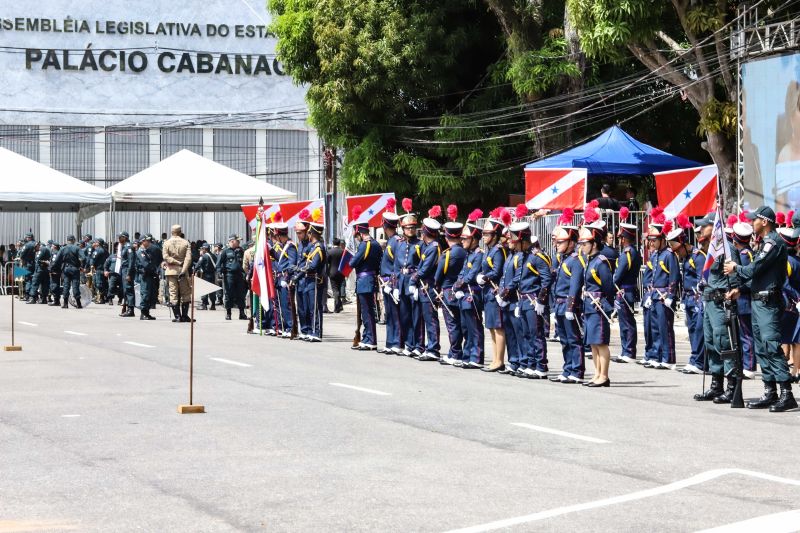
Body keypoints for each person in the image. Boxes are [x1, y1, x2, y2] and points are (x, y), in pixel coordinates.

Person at [724, 206, 797, 412]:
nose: (751, 222)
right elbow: (758, 278)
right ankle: (770, 391)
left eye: (754, 219)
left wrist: (736, 268)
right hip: (758, 301)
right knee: (762, 348)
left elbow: (754, 269)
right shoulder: (764, 243)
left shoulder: (773, 243)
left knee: (771, 346)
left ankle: (786, 393)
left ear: (764, 222)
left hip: (768, 303)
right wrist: (740, 290)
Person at [577, 213, 615, 387]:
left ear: (594, 244)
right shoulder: (590, 260)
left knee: (601, 342)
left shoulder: (601, 262)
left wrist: (606, 304)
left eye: (585, 244)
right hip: (590, 305)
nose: (582, 247)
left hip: (599, 306)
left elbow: (608, 287)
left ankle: (604, 375)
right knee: (592, 342)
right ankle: (596, 373)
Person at [667, 216, 706, 375]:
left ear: (683, 244)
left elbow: (701, 279)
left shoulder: (698, 256)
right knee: (691, 330)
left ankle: (699, 362)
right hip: (689, 298)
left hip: (697, 298)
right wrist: (683, 299)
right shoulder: (686, 258)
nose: (677, 254)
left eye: (677, 250)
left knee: (698, 330)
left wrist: (699, 299)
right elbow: (684, 281)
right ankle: (694, 359)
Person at [549, 216, 585, 383]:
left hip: (569, 305)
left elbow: (575, 285)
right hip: (559, 304)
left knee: (573, 339)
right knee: (564, 339)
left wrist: (571, 307)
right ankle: (567, 368)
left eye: (561, 242)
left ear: (571, 243)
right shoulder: (563, 259)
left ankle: (576, 371)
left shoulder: (576, 261)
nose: (557, 244)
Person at [644, 212, 680, 369]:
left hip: (664, 295)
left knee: (665, 328)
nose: (651, 243)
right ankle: (657, 355)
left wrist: (671, 295)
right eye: (650, 240)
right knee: (655, 328)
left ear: (662, 239)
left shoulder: (669, 255)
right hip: (654, 295)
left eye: (654, 240)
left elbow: (674, 276)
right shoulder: (655, 255)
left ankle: (668, 358)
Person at [478, 208, 510, 372]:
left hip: (495, 292)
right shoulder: (489, 250)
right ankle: (495, 358)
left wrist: (485, 277)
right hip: (488, 292)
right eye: (483, 233)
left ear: (495, 235)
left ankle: (499, 360)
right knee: (491, 327)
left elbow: (497, 271)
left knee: (498, 327)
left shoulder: (498, 250)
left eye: (487, 233)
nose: (484, 236)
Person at [455, 210, 485, 369]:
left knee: (474, 328)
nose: (462, 241)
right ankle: (467, 355)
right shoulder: (468, 254)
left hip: (472, 293)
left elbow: (472, 275)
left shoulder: (479, 255)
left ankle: (476, 356)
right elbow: (462, 273)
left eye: (465, 238)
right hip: (464, 293)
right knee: (465, 327)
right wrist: (457, 284)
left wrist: (459, 283)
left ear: (474, 239)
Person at [436, 216, 467, 365]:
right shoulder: (464, 252)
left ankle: (455, 353)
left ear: (447, 236)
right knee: (461, 324)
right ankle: (458, 352)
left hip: (448, 292)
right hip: (462, 291)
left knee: (452, 324)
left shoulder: (447, 254)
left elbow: (438, 276)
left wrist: (438, 287)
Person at [411, 213, 442, 361]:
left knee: (430, 319)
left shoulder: (433, 248)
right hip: (424, 287)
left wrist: (413, 278)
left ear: (425, 232)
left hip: (429, 287)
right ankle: (430, 347)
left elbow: (425, 269)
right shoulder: (427, 246)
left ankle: (434, 348)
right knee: (426, 318)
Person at [394, 202, 423, 357]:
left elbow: (422, 265)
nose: (410, 230)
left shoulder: (419, 244)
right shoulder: (399, 244)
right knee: (404, 316)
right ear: (403, 229)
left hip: (414, 282)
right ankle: (408, 344)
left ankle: (419, 345)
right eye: (408, 228)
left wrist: (417, 283)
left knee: (416, 316)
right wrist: (395, 286)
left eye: (412, 227)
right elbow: (396, 266)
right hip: (402, 281)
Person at [349, 218, 383, 350]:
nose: (357, 238)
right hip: (371, 279)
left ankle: (370, 339)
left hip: (364, 281)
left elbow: (353, 262)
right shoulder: (376, 244)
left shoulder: (365, 245)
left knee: (366, 312)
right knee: (369, 311)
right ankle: (368, 337)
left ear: (359, 233)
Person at [613, 211, 641, 363]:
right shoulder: (630, 252)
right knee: (624, 322)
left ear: (624, 238)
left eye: (620, 237)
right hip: (625, 291)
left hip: (625, 291)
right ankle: (625, 350)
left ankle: (629, 351)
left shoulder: (628, 253)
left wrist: (613, 283)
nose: (619, 240)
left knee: (627, 323)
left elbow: (618, 275)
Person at [292, 220, 326, 342]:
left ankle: (316, 332)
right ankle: (310, 331)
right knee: (308, 308)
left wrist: (300, 269)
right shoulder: (311, 247)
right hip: (308, 279)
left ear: (311, 233)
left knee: (314, 308)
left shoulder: (317, 247)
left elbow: (312, 265)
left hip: (315, 280)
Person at [731, 222, 757, 379]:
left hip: (744, 299)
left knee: (746, 335)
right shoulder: (749, 252)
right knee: (744, 334)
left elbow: (746, 278)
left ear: (735, 240)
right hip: (744, 299)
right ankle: (745, 364)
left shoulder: (744, 255)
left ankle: (749, 366)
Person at [378, 208, 402, 354]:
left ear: (384, 226)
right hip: (386, 282)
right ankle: (390, 342)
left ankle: (396, 342)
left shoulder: (396, 242)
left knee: (394, 315)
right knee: (389, 314)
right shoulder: (391, 241)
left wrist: (394, 285)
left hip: (391, 283)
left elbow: (397, 266)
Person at [163, 225, 194, 323]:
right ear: (180, 232)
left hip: (171, 271)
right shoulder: (186, 243)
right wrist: (183, 270)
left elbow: (165, 257)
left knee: (173, 293)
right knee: (186, 293)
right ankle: (185, 316)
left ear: (171, 232)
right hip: (183, 272)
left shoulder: (166, 243)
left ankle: (177, 316)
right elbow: (188, 258)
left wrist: (175, 262)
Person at [272, 221, 298, 338]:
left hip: (285, 278)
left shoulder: (291, 246)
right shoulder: (282, 246)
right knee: (281, 305)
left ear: (279, 235)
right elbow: (281, 259)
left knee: (286, 305)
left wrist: (287, 278)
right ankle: (284, 327)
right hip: (279, 278)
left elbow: (291, 264)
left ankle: (290, 327)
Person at [218, 234, 247, 321]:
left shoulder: (241, 251)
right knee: (229, 294)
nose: (239, 242)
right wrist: (219, 272)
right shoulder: (225, 251)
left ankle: (242, 313)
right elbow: (219, 263)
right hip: (229, 275)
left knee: (241, 294)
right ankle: (228, 313)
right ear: (232, 241)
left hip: (239, 275)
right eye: (237, 241)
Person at [52, 235, 82, 309]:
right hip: (75, 269)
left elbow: (56, 260)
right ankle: (78, 303)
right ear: (74, 240)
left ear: (67, 240)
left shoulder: (63, 249)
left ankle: (65, 303)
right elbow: (84, 258)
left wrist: (53, 269)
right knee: (75, 285)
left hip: (66, 269)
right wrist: (82, 266)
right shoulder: (77, 248)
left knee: (66, 285)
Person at [136, 235, 159, 320]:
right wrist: (154, 268)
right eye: (147, 241)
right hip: (145, 275)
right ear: (143, 241)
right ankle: (143, 313)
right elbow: (146, 264)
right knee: (145, 294)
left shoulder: (146, 251)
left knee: (150, 294)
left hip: (150, 275)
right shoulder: (140, 252)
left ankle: (147, 313)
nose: (149, 242)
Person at [196, 243, 218, 310]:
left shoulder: (204, 256)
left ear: (205, 249)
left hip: (205, 275)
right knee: (212, 290)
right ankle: (213, 305)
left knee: (204, 289)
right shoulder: (214, 256)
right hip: (213, 274)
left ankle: (204, 305)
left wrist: (195, 270)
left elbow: (198, 265)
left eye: (202, 249)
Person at [327, 238, 345, 313]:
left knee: (335, 290)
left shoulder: (330, 252)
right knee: (339, 288)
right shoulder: (342, 251)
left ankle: (337, 306)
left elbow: (327, 262)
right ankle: (338, 306)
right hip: (341, 272)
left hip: (332, 272)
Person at [19, 232, 36, 301]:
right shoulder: (37, 244)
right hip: (35, 264)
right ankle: (34, 295)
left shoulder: (27, 245)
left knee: (28, 280)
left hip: (28, 264)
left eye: (26, 237)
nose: (26, 238)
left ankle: (28, 295)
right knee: (34, 279)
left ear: (29, 237)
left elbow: (22, 255)